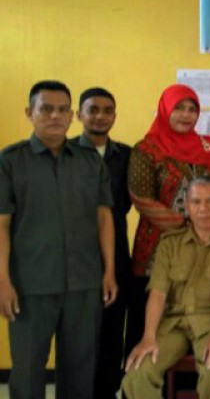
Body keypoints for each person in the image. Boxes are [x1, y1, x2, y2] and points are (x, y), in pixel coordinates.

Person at [0, 80, 117, 398]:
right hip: (30, 285)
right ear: (30, 113)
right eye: (46, 109)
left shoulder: (90, 161)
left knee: (80, 371)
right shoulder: (10, 162)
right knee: (27, 371)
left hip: (84, 283)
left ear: (72, 115)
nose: (55, 116)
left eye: (63, 110)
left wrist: (108, 271)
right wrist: (3, 281)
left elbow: (104, 218)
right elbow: (2, 225)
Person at [127, 84, 210, 364]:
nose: (186, 115)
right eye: (179, 108)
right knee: (149, 321)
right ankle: (141, 380)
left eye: (192, 109)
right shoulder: (146, 149)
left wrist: (207, 230)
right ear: (165, 110)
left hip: (205, 248)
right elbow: (141, 199)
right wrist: (188, 226)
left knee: (198, 314)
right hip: (155, 250)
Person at [122, 177, 210, 399]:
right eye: (196, 202)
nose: (203, 209)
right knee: (139, 372)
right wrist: (148, 336)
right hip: (173, 324)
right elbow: (158, 294)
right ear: (187, 205)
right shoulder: (169, 244)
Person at [72, 87, 133, 399]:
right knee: (77, 338)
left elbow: (125, 204)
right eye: (93, 109)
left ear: (115, 116)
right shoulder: (65, 153)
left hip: (117, 259)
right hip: (75, 259)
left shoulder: (126, 156)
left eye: (108, 110)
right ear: (79, 114)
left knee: (111, 335)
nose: (100, 116)